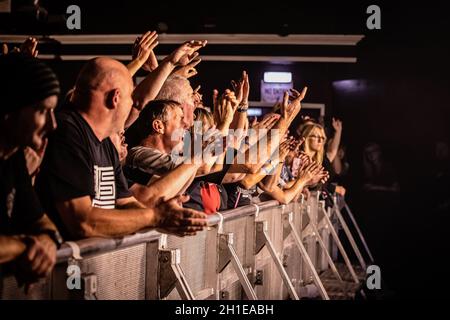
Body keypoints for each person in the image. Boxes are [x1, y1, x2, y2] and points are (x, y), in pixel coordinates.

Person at [36, 57, 207, 240]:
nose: (133, 106)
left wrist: (162, 217)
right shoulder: (68, 132)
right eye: (131, 98)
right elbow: (82, 221)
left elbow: (126, 202)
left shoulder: (105, 143)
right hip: (63, 265)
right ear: (115, 98)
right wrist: (156, 217)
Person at [0, 53, 61, 290]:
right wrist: (26, 246)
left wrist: (46, 241)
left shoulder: (12, 157)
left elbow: (40, 220)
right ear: (9, 110)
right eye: (42, 111)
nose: (53, 124)